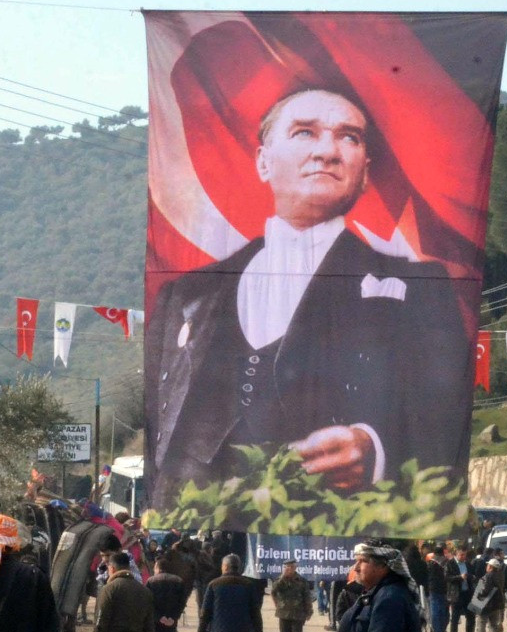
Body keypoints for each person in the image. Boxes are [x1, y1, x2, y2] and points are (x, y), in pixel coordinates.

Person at [144, 86, 469, 500]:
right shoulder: (187, 295)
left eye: (349, 137)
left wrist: (374, 446)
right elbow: (159, 422)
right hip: (202, 520)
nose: (328, 152)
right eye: (304, 132)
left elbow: (445, 416)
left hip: (338, 520)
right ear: (263, 161)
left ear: (364, 172)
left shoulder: (420, 289)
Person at [270, 561, 314, 632]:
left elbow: (307, 597)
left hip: (298, 613)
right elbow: (273, 591)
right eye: (287, 567)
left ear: (295, 568)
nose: (289, 569)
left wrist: (309, 611)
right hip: (283, 613)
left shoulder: (301, 581)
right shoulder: (280, 580)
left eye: (291, 567)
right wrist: (282, 577)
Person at [473, 558, 506, 632]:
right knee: (493, 624)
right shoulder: (500, 576)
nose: (486, 567)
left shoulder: (488, 576)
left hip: (486, 604)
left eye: (488, 565)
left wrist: (478, 593)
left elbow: (485, 590)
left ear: (490, 567)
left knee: (481, 624)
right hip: (496, 604)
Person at [448, 548, 475, 632]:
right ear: (456, 555)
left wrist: (471, 577)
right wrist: (459, 577)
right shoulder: (450, 564)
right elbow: (447, 577)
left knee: (471, 617)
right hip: (456, 594)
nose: (463, 557)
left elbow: (471, 574)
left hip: (467, 593)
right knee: (455, 618)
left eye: (464, 555)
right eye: (461, 555)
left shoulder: (467, 564)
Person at [425, 544, 449, 632]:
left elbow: (427, 576)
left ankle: (436, 631)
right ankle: (442, 628)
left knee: (434, 609)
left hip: (433, 588)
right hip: (444, 588)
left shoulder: (431, 563)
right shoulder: (447, 562)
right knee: (443, 609)